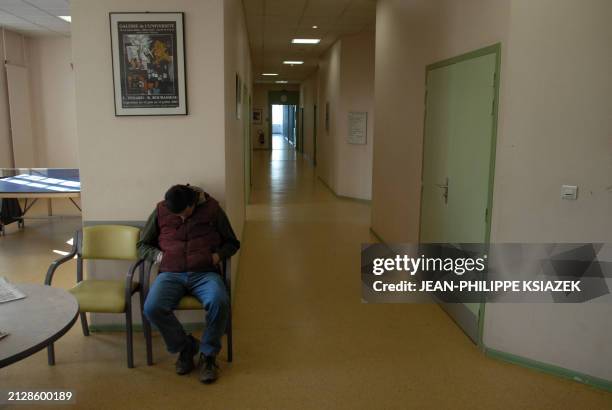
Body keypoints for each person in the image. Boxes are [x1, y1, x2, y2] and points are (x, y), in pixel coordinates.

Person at [138, 184, 240, 384]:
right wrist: (158, 256)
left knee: (219, 301)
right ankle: (186, 347)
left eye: (185, 214)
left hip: (204, 273)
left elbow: (232, 243)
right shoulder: (161, 210)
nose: (182, 219)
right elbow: (142, 245)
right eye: (177, 216)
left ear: (193, 204)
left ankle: (208, 355)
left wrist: (217, 256)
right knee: (152, 307)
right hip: (171, 273)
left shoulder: (213, 210)